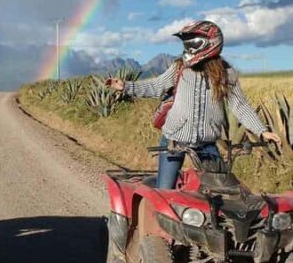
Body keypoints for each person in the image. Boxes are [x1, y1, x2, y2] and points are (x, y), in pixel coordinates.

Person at [106, 19, 280, 189]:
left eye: (194, 43)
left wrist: (262, 131)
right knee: (165, 190)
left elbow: (240, 106)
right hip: (174, 140)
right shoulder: (179, 68)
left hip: (206, 144)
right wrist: (126, 86)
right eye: (187, 43)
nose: (189, 48)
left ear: (211, 43)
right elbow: (156, 86)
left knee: (219, 191)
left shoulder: (227, 74)